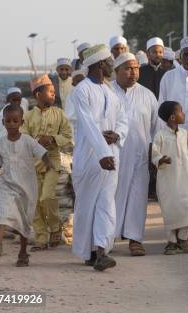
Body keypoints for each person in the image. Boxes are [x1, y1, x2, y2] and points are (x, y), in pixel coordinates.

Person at [71, 44, 128, 271]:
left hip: (111, 156)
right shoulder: (81, 90)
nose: (112, 65)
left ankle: (102, 250)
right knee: (87, 205)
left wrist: (118, 134)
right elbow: (87, 124)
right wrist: (102, 153)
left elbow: (124, 119)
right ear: (99, 64)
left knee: (106, 204)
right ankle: (89, 252)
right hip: (89, 157)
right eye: (109, 61)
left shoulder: (111, 92)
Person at [0, 104, 53, 267]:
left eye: (15, 121)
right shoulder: (0, 144)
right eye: (8, 121)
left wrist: (48, 162)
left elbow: (42, 152)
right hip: (7, 184)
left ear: (21, 122)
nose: (11, 124)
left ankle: (23, 253)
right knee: (2, 209)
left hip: (26, 187)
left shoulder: (28, 141)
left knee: (24, 222)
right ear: (3, 122)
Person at [111, 53, 159, 256]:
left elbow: (156, 129)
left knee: (138, 198)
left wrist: (154, 155)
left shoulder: (147, 95)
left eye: (136, 68)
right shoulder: (107, 93)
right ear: (116, 71)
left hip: (140, 156)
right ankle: (107, 239)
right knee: (111, 197)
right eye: (128, 68)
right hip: (113, 157)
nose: (133, 72)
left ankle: (135, 240)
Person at [21, 74, 73, 251]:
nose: (53, 94)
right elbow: (22, 138)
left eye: (54, 91)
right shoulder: (27, 116)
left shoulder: (59, 113)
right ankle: (41, 239)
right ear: (38, 95)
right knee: (35, 202)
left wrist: (51, 139)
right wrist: (36, 142)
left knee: (47, 197)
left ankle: (56, 228)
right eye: (50, 91)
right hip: (32, 164)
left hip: (52, 162)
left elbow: (67, 136)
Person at [151, 101, 188, 255]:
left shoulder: (185, 134)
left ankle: (183, 238)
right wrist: (161, 159)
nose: (184, 114)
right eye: (181, 111)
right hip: (168, 179)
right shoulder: (160, 135)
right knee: (171, 209)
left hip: (186, 179)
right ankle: (172, 242)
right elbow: (154, 153)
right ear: (172, 117)